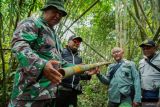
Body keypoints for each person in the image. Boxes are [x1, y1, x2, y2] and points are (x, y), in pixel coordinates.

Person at [8, 0, 68, 106]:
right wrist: (41, 65)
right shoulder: (33, 23)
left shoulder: (55, 36)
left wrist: (82, 69)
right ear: (45, 9)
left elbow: (59, 62)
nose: (58, 15)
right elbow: (19, 46)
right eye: (55, 11)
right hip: (28, 95)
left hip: (49, 94)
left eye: (61, 14)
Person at [55, 35, 94, 107]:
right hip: (60, 90)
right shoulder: (61, 52)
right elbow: (57, 67)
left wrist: (88, 75)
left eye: (79, 42)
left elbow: (77, 75)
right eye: (75, 41)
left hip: (73, 92)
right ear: (68, 42)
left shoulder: (79, 58)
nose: (77, 43)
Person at [139, 39, 160, 107]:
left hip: (156, 93)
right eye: (144, 49)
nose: (145, 50)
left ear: (155, 48)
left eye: (148, 48)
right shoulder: (142, 61)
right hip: (145, 94)